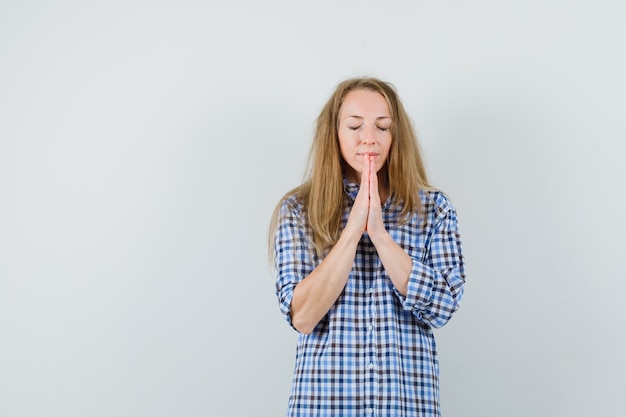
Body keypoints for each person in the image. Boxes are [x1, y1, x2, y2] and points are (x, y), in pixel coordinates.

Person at [268, 77, 466, 417]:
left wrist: (379, 233)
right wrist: (353, 227)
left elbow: (444, 306)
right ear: (335, 134)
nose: (369, 138)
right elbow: (301, 315)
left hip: (407, 406)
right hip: (323, 405)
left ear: (396, 136)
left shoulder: (434, 210)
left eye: (383, 127)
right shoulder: (299, 210)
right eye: (355, 126)